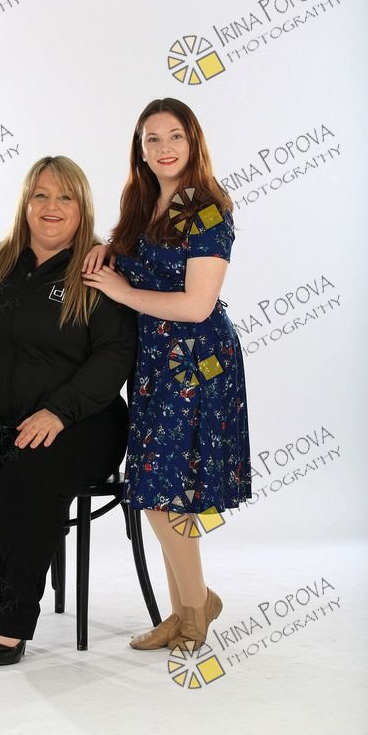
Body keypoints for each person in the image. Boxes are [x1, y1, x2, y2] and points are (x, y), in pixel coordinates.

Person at [0, 156, 136, 666]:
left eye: (64, 196)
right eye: (40, 195)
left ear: (82, 207)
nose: (51, 207)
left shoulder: (97, 270)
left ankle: (14, 621)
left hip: (84, 422)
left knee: (28, 473)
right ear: (25, 203)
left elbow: (115, 353)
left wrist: (59, 411)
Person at [82, 99, 251, 651]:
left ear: (193, 141)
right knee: (162, 490)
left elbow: (199, 305)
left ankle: (195, 607)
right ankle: (184, 609)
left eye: (174, 136)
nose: (164, 148)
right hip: (154, 363)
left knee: (160, 491)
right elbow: (141, 260)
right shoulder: (142, 203)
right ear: (140, 149)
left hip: (197, 362)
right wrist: (109, 249)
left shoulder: (206, 209)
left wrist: (121, 291)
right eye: (151, 139)